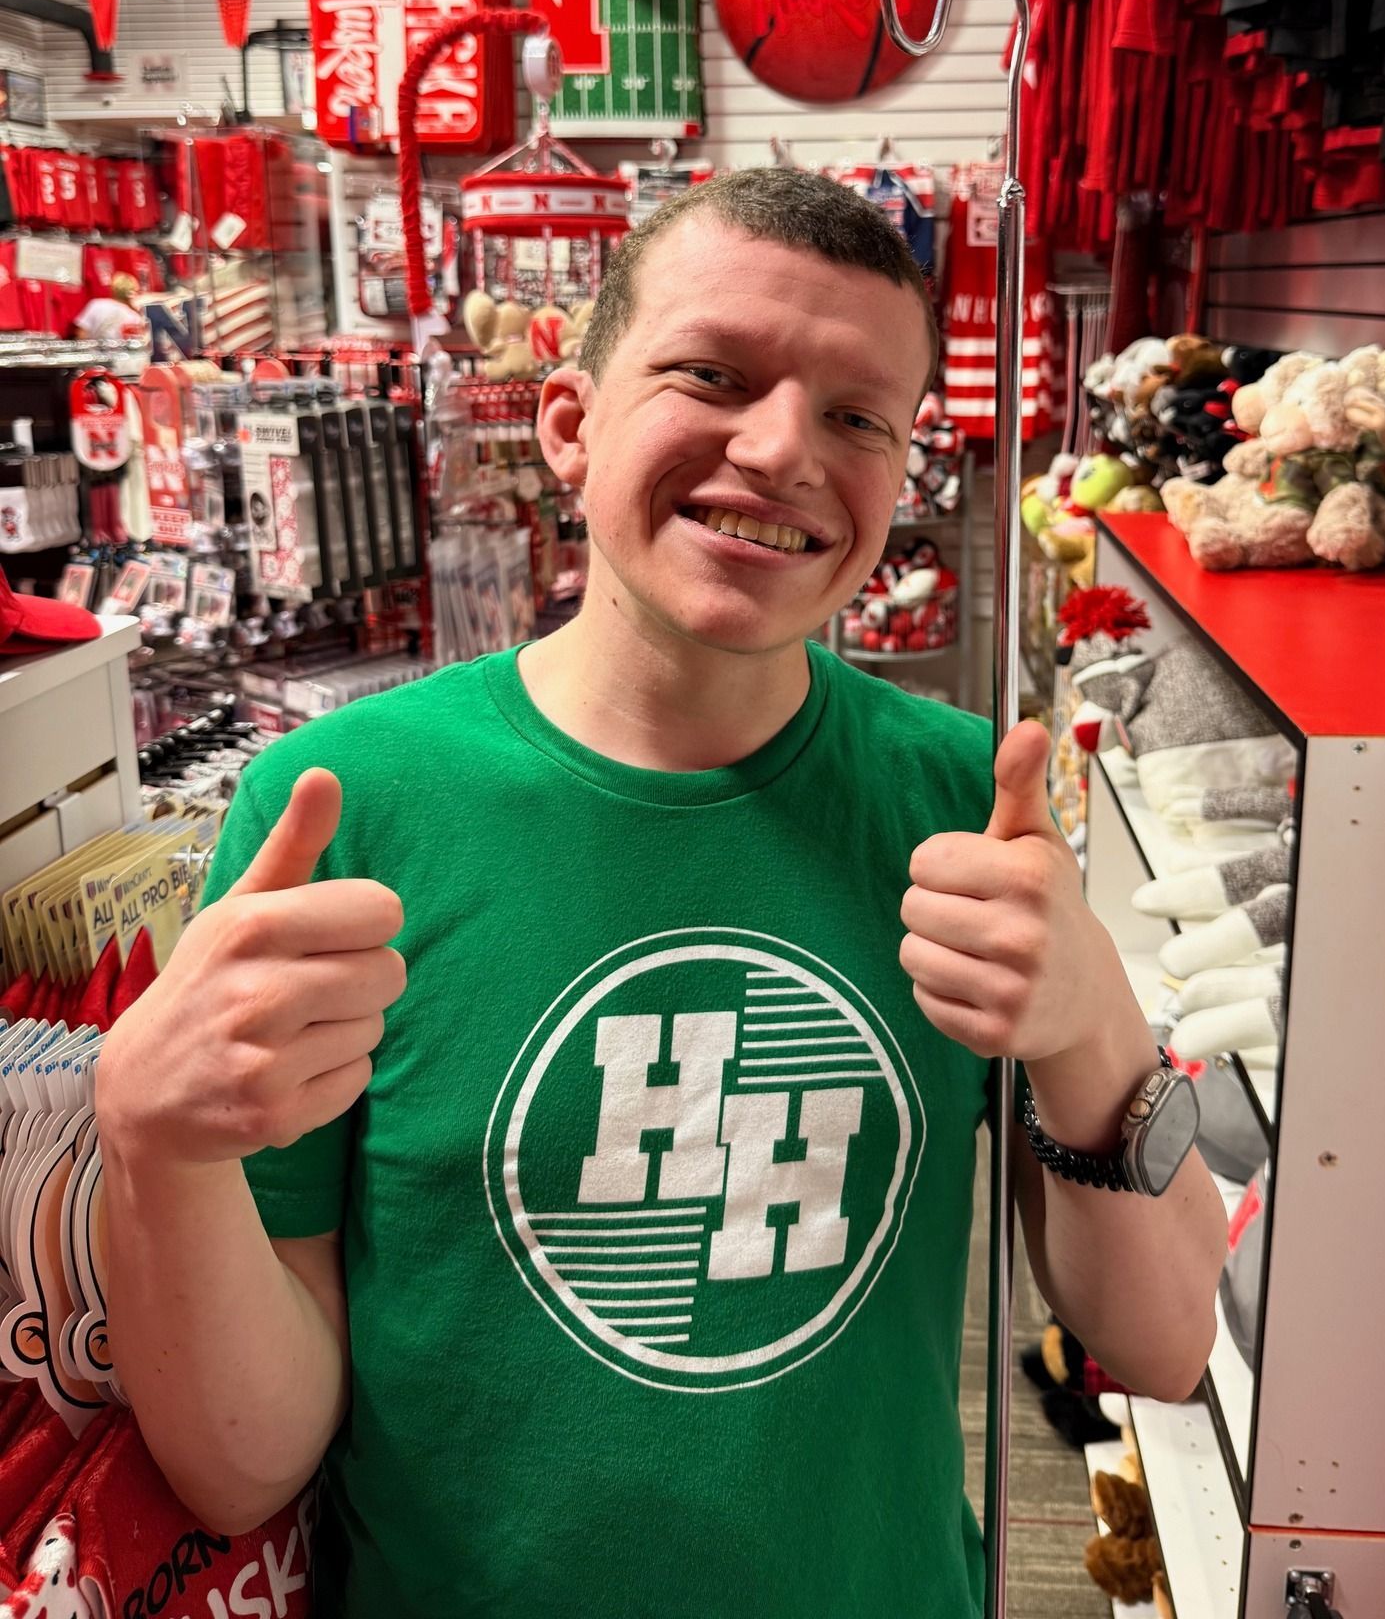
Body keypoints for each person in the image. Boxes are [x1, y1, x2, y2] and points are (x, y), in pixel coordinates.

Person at [97, 169, 1225, 1618]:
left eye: (857, 416)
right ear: (570, 424)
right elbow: (242, 1468)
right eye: (713, 376)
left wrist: (1089, 1032)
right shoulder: (343, 807)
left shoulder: (961, 802)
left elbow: (1169, 1342)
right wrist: (147, 1145)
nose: (778, 450)